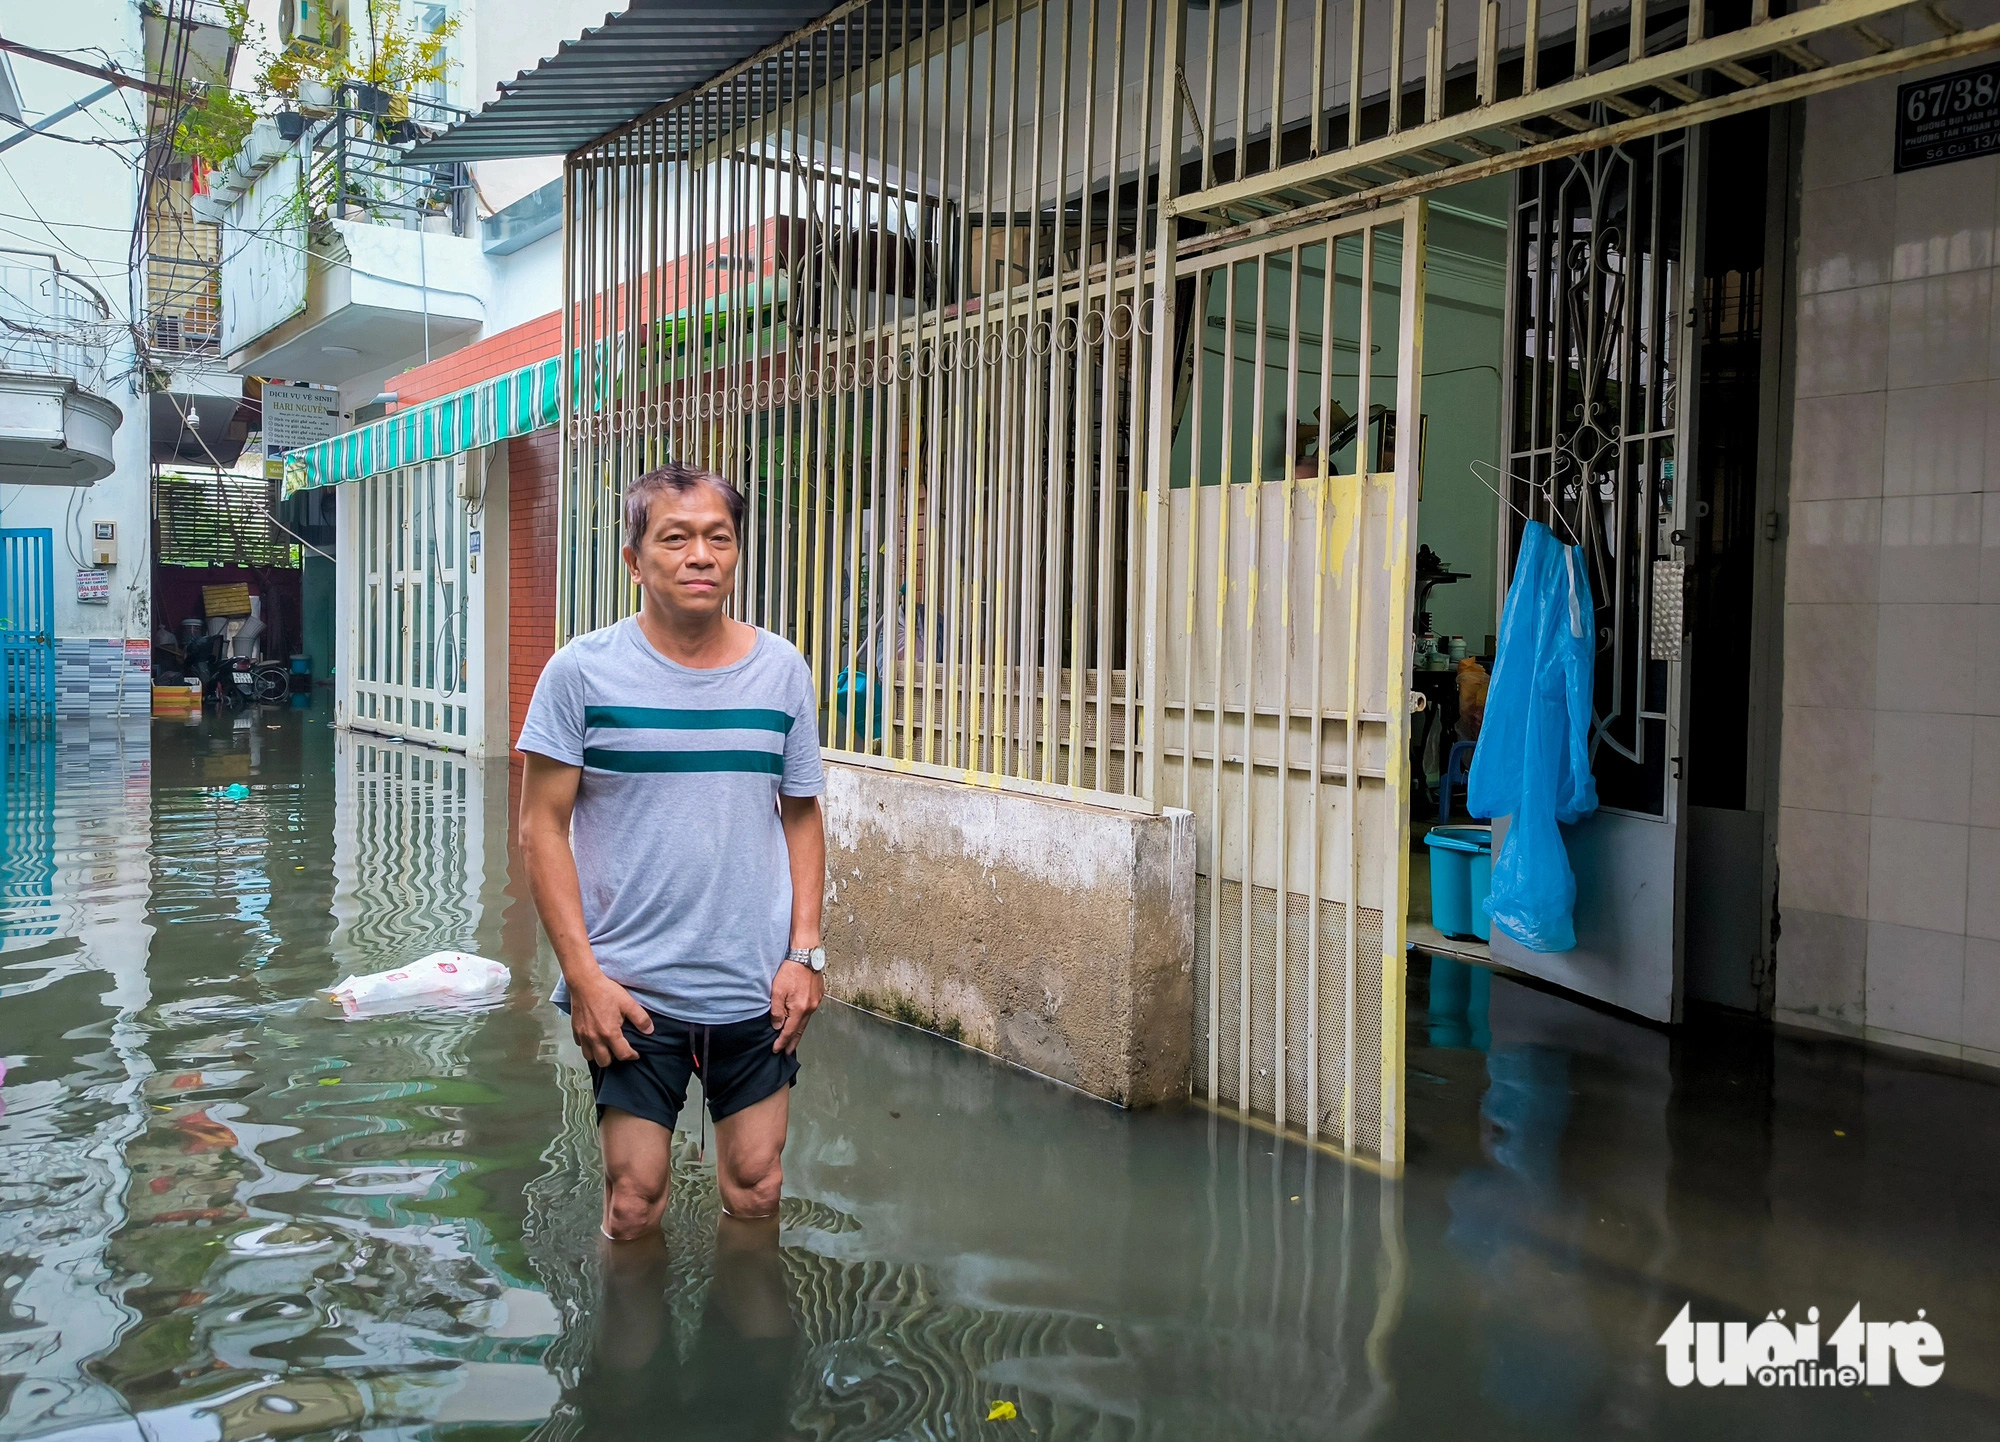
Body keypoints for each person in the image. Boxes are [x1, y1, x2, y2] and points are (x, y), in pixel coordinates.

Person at [517, 461, 828, 1243]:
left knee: (757, 1188)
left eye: (718, 538)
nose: (700, 556)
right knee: (634, 1199)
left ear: (737, 553)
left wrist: (807, 956)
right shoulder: (580, 672)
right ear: (634, 559)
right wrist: (584, 980)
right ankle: (627, 1363)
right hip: (630, 989)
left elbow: (801, 815)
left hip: (754, 984)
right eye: (675, 538)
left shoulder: (781, 670)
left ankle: (749, 1359)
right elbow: (540, 828)